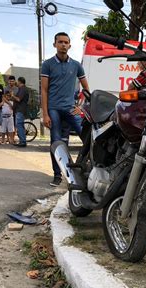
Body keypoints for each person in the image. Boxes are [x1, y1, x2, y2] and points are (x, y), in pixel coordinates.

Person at [41, 32, 90, 187]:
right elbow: (43, 90)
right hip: (53, 109)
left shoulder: (76, 65)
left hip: (70, 109)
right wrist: (45, 114)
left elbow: (86, 89)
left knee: (88, 137)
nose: (63, 44)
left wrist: (80, 106)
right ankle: (57, 175)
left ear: (70, 45)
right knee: (56, 142)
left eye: (66, 42)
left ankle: (85, 168)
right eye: (60, 42)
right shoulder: (47, 64)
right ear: (55, 44)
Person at [10, 76, 29, 147]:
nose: (16, 83)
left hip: (20, 110)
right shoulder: (22, 89)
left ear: (20, 82)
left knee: (19, 125)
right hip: (20, 109)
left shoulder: (22, 89)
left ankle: (22, 141)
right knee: (20, 125)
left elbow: (18, 99)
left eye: (17, 81)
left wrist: (13, 96)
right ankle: (22, 140)